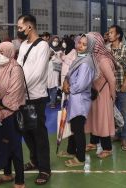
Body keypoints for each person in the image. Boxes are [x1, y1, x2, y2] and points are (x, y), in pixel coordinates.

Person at [17, 14, 51, 185]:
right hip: (21, 96)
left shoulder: (43, 46)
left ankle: (44, 168)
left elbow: (37, 74)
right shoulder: (23, 45)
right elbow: (18, 67)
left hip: (36, 96)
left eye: (20, 27)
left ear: (29, 27)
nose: (19, 31)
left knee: (39, 133)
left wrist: (18, 86)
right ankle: (34, 160)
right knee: (26, 131)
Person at [0, 42, 26, 188]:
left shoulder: (16, 69)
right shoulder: (1, 68)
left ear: (9, 52)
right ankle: (7, 174)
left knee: (15, 147)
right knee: (2, 144)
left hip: (10, 114)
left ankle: (20, 181)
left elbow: (14, 94)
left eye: (1, 52)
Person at [61, 34, 96, 166]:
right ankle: (71, 150)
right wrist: (65, 81)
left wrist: (68, 88)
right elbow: (69, 74)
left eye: (84, 44)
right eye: (79, 43)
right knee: (73, 127)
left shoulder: (86, 63)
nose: (80, 46)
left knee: (78, 129)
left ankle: (80, 158)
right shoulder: (80, 58)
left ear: (90, 47)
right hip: (74, 99)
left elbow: (81, 84)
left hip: (80, 100)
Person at [84, 32, 116, 158]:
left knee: (103, 120)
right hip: (94, 93)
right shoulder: (93, 57)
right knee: (94, 118)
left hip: (103, 93)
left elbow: (112, 80)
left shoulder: (102, 59)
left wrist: (112, 96)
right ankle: (93, 142)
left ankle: (107, 148)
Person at [107, 25, 126, 151]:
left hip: (123, 87)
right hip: (109, 88)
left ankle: (124, 138)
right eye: (109, 32)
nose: (109, 34)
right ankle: (117, 134)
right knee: (113, 114)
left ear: (118, 35)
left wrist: (124, 85)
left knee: (124, 113)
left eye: (112, 32)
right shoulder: (107, 49)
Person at [48, 36, 62, 108]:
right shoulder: (48, 48)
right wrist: (50, 56)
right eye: (54, 40)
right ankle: (52, 100)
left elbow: (60, 61)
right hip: (48, 70)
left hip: (55, 70)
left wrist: (54, 57)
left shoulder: (60, 50)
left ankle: (53, 102)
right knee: (49, 86)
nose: (55, 42)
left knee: (54, 86)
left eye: (57, 41)